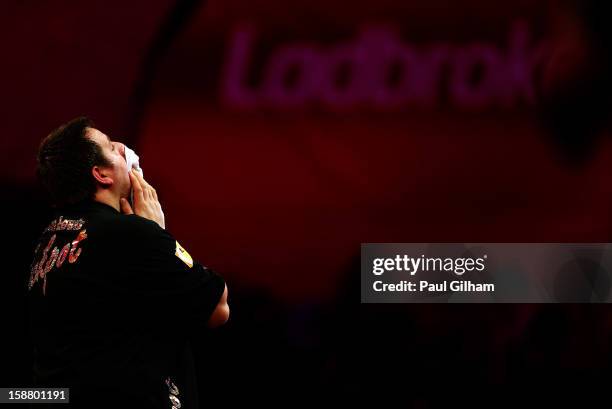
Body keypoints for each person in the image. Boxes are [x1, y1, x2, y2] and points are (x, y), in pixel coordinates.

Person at [29, 117, 229, 408]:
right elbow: (218, 307)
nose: (123, 148)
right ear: (101, 174)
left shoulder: (49, 240)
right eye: (111, 146)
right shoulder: (129, 234)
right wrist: (158, 234)